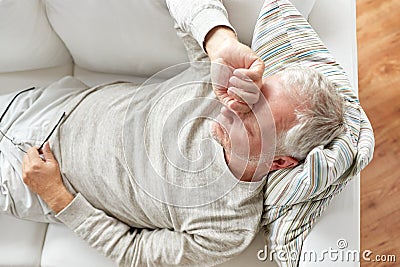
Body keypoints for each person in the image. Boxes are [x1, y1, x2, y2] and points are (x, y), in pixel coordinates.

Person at [0, 0, 365, 266]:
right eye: (253, 95)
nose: (233, 106)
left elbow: (135, 252)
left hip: (31, 183)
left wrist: (57, 196)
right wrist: (220, 41)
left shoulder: (227, 227)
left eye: (253, 119)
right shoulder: (221, 83)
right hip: (51, 105)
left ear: (281, 161)